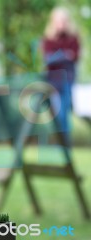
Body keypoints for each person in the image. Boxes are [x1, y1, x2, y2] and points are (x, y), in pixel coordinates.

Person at [42, 7, 80, 146]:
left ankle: (65, 146)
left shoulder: (73, 38)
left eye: (64, 20)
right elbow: (48, 60)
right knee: (55, 115)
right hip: (52, 82)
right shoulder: (48, 39)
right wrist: (65, 54)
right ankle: (59, 145)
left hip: (67, 81)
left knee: (64, 114)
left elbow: (74, 56)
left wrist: (58, 56)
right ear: (53, 22)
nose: (62, 23)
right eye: (59, 20)